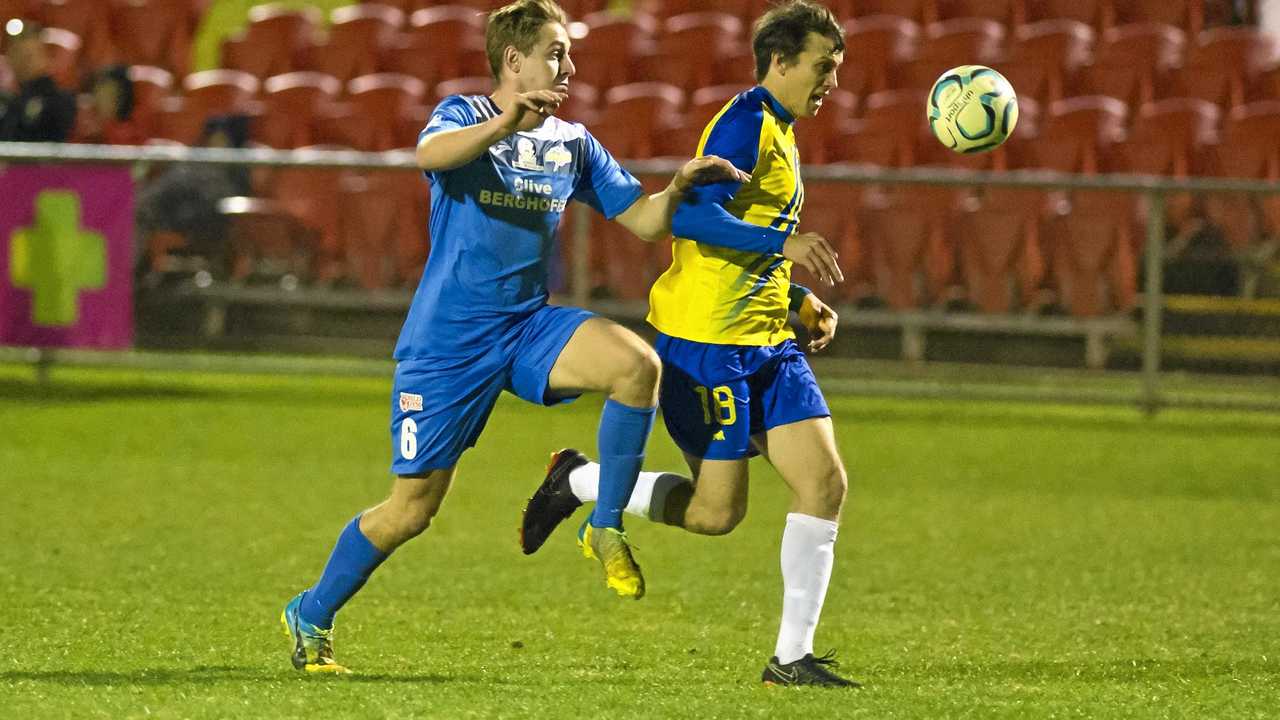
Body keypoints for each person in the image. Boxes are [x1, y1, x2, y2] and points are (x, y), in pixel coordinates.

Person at [278, 0, 748, 674]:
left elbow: (644, 222)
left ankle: (606, 522)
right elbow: (428, 155)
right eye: (556, 52)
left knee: (636, 367)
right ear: (514, 61)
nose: (570, 65)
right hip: (448, 344)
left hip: (527, 325)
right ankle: (312, 612)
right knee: (411, 510)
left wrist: (675, 187)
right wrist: (506, 123)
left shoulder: (572, 142)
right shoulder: (467, 117)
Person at [520, 0, 860, 688]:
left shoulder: (783, 130)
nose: (832, 82)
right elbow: (696, 217)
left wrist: (793, 299)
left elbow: (743, 239)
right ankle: (577, 481)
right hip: (706, 348)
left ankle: (791, 659)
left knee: (824, 483)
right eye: (823, 67)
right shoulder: (743, 125)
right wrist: (786, 245)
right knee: (716, 514)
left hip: (767, 344)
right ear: (782, 61)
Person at [0, 20, 77, 142]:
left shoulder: (59, 100)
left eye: (29, 56)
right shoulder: (9, 101)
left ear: (44, 56)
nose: (23, 63)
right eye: (16, 53)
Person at [79, 65, 146, 145]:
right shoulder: (89, 136)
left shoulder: (139, 135)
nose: (106, 100)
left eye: (113, 95)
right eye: (103, 95)